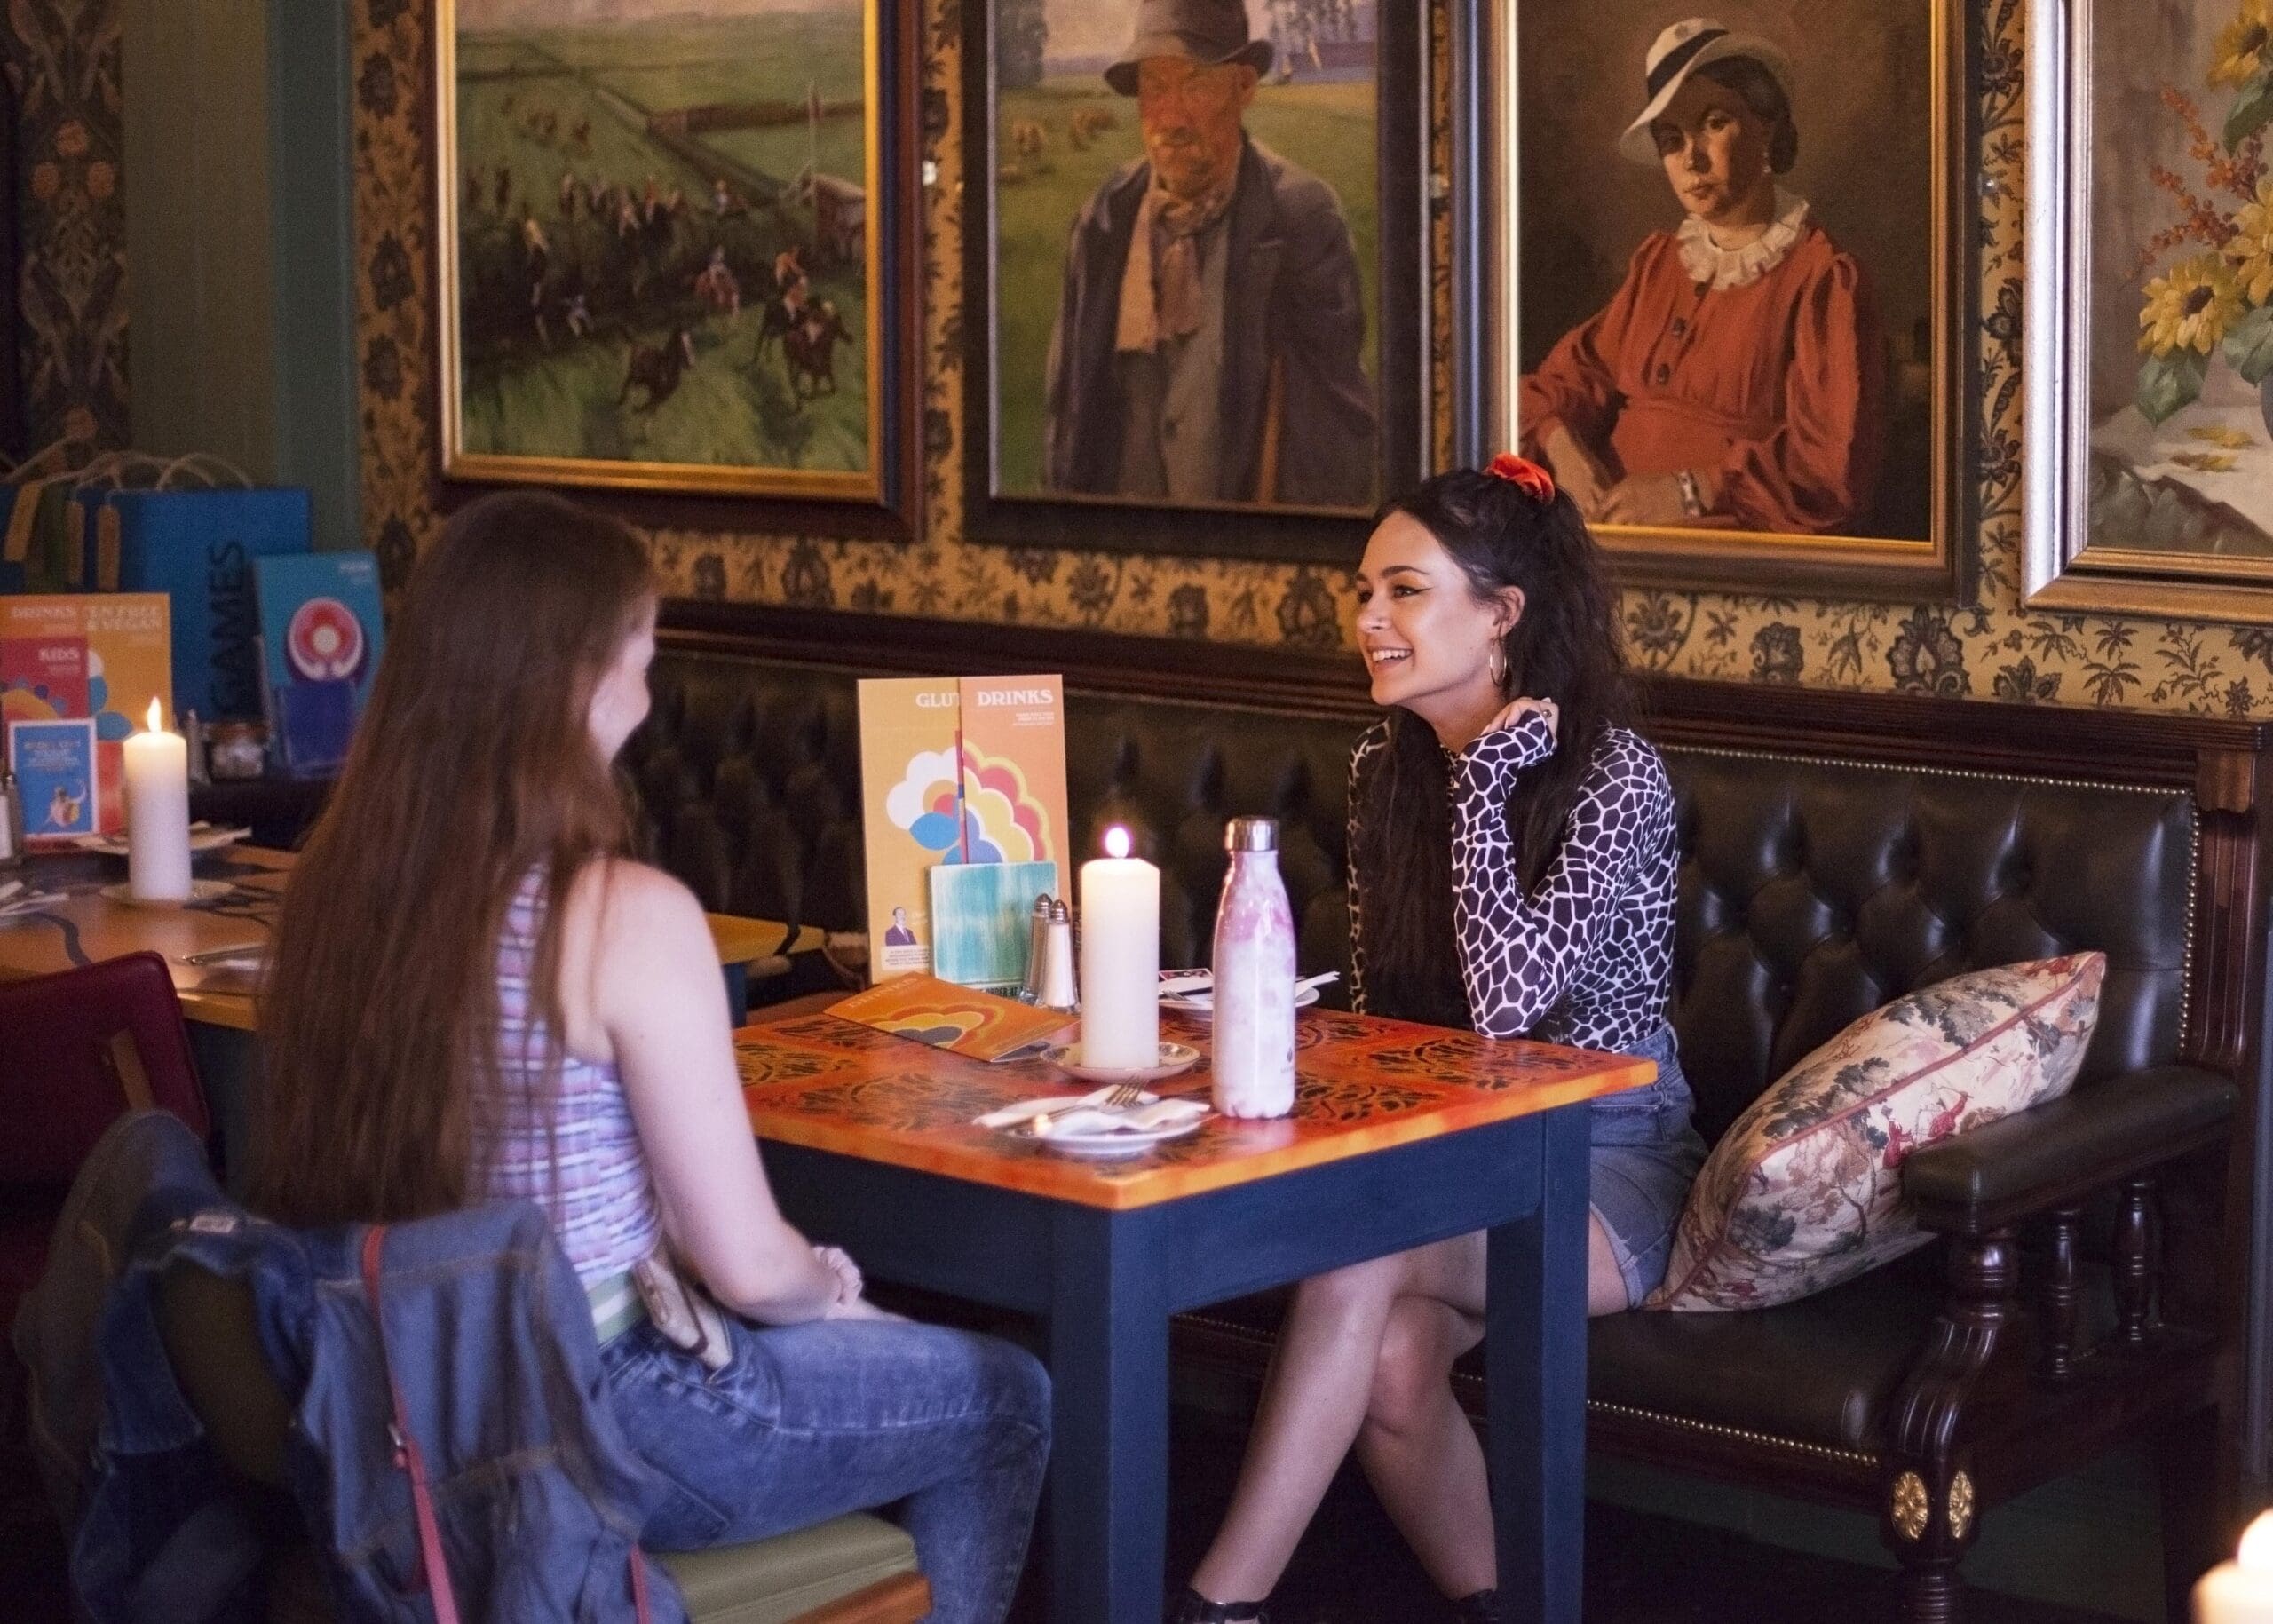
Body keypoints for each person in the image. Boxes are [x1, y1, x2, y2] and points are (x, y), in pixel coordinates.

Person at [253, 493, 1050, 1624]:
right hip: (605, 1414)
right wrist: (821, 1287)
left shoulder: (331, 892)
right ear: (579, 675)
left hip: (391, 1403)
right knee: (1007, 1394)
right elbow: (744, 1265)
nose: (650, 682)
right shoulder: (624, 913)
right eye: (643, 649)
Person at [1169, 456, 1706, 1624]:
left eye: (1405, 591)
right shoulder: (1383, 768)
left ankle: (1218, 1605)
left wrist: (1485, 788)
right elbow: (1387, 1015)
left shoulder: (1615, 773)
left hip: (1607, 1161)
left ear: (1501, 614)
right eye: (1364, 590)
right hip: (1459, 1150)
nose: (1368, 619)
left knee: (1360, 1252)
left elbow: (1509, 1005)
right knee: (1400, 1362)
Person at [1521, 17, 1886, 536]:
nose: (1691, 158)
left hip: (1727, 550)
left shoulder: (1823, 278)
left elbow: (1829, 469)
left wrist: (1691, 491)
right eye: (1672, 138)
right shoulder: (1659, 265)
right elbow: (1561, 382)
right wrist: (1565, 451)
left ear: (1769, 128)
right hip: (1607, 535)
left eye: (1714, 123)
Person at [1044, 0, 1374, 507]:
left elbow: (1333, 440)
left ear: (1243, 88)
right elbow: (1066, 418)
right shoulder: (1103, 224)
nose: (1170, 116)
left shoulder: (1301, 220)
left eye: (1194, 82)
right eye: (1155, 86)